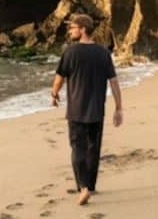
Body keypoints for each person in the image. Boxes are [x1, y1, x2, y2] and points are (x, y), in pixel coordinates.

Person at [51, 13, 123, 206]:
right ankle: (90, 186)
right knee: (93, 149)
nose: (70, 31)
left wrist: (54, 93)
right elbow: (114, 81)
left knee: (78, 149)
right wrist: (118, 107)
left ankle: (83, 188)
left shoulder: (71, 52)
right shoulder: (103, 52)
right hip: (97, 110)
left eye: (73, 27)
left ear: (83, 29)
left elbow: (59, 77)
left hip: (76, 110)